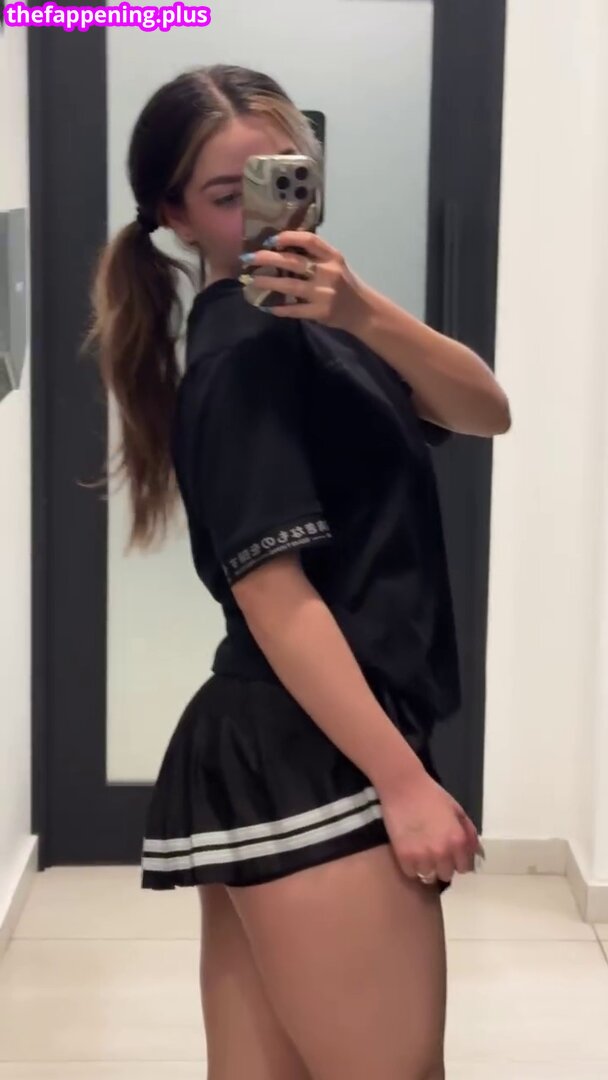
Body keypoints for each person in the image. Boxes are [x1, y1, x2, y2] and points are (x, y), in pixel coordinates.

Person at [86, 64, 510, 1080]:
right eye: (226, 195)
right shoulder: (247, 356)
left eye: (286, 174)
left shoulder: (312, 328)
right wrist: (404, 785)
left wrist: (358, 308)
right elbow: (274, 598)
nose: (265, 210)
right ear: (175, 216)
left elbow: (483, 409)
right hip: (311, 748)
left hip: (276, 739)